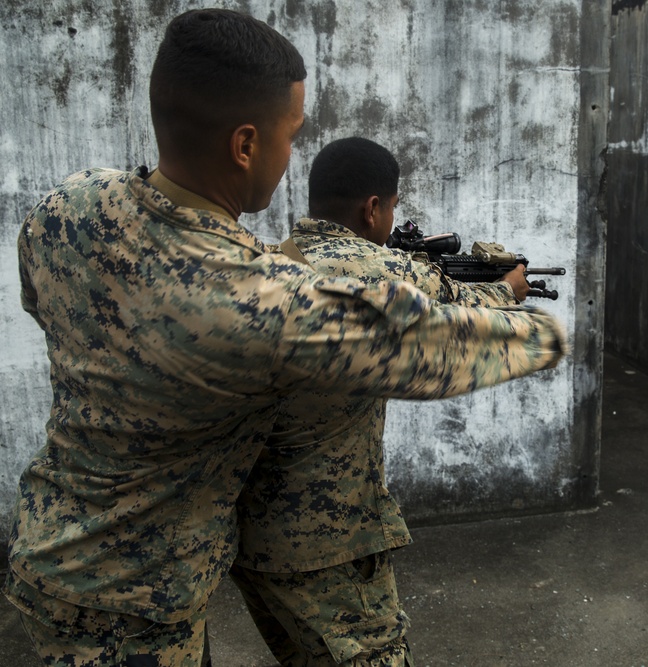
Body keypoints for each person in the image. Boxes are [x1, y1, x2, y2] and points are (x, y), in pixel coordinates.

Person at [3, 12, 566, 667]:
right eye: (290, 135)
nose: (290, 153)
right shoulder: (254, 294)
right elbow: (435, 347)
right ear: (246, 145)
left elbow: (53, 308)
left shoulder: (68, 207)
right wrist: (537, 326)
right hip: (137, 605)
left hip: (53, 550)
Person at [229, 137, 539, 666]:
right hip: (332, 543)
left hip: (251, 540)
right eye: (392, 209)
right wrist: (509, 287)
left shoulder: (268, 263)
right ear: (373, 208)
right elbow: (471, 318)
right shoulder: (383, 271)